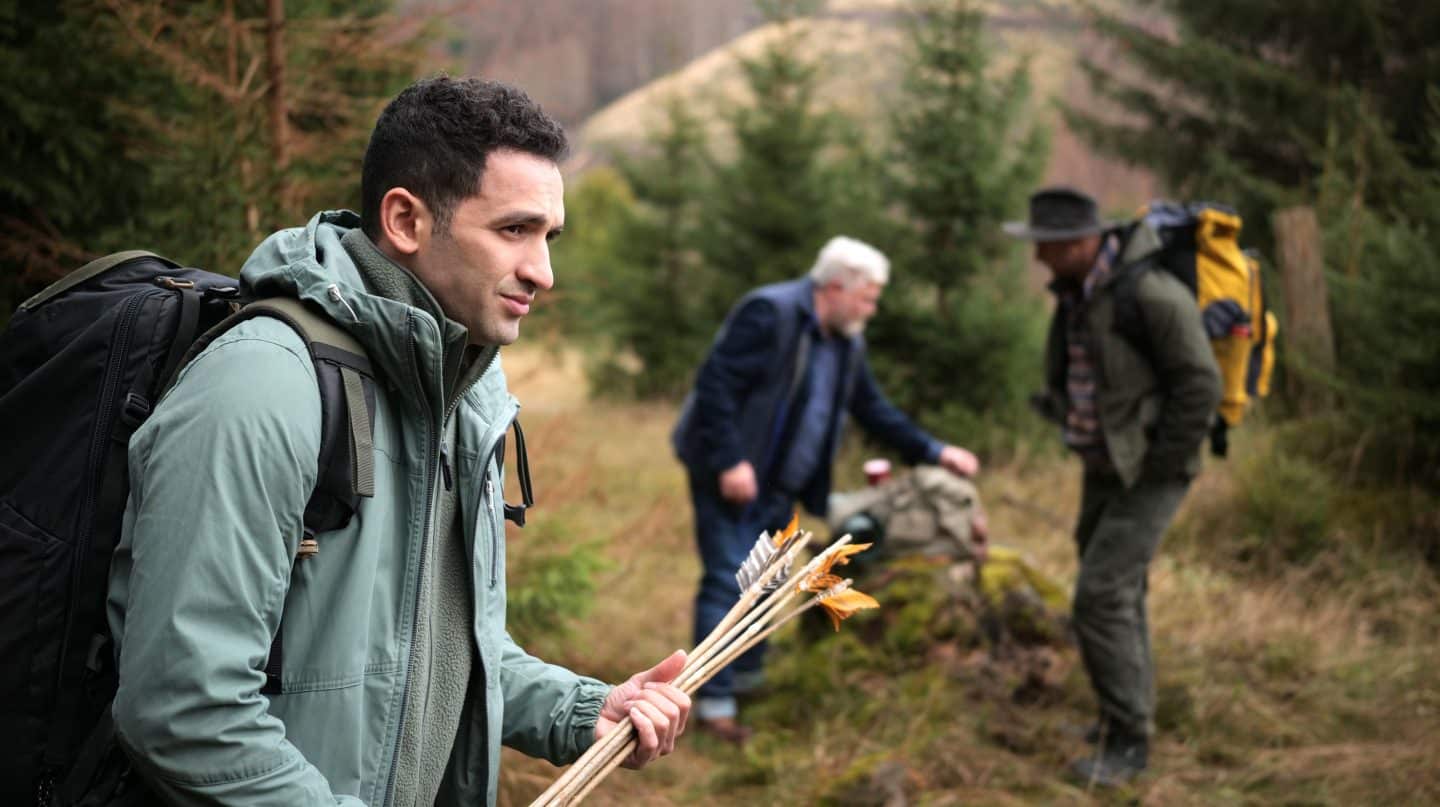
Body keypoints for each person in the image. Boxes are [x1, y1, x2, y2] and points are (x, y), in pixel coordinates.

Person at [105, 77, 690, 806]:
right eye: (514, 230)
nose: (543, 272)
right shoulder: (262, 385)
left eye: (549, 237)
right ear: (406, 220)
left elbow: (430, 650)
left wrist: (580, 710)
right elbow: (182, 708)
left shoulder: (458, 395)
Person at [671, 236, 980, 742]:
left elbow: (872, 408)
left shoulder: (846, 341)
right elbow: (715, 385)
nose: (871, 310)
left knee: (767, 583)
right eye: (867, 298)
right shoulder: (770, 313)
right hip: (731, 476)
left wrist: (934, 450)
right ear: (836, 287)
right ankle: (712, 706)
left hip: (779, 486)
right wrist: (729, 461)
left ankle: (745, 683)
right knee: (728, 580)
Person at [1003, 187, 1221, 786]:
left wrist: (1160, 463)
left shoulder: (1150, 293)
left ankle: (1128, 744)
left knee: (1099, 597)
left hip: (1147, 471)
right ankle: (1120, 716)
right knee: (1120, 592)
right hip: (1103, 467)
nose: (1038, 258)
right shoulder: (1080, 291)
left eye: (1046, 246)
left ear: (1079, 242)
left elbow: (1200, 384)